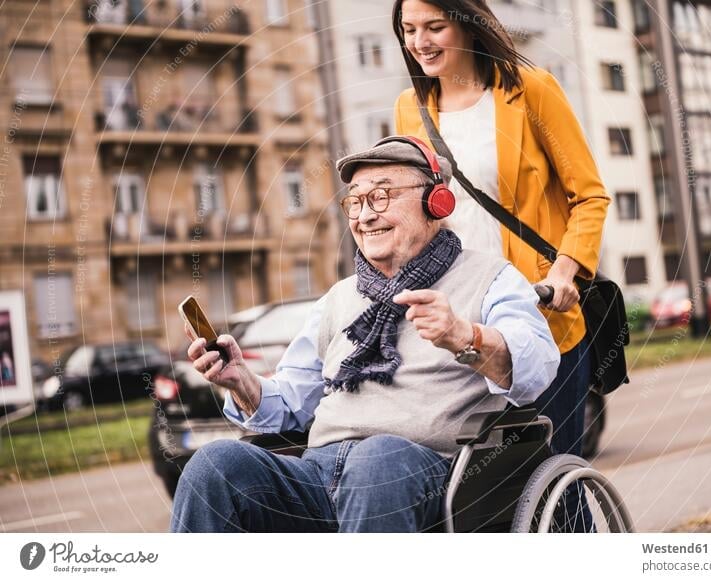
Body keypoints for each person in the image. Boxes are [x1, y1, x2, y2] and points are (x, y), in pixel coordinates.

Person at [170, 138, 560, 533]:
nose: (364, 216)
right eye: (355, 202)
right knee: (215, 465)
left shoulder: (491, 278)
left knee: (378, 460)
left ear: (437, 202)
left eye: (381, 196)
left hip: (432, 478)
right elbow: (290, 404)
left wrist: (466, 337)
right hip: (317, 476)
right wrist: (242, 382)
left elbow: (536, 367)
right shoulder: (339, 298)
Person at [392, 0, 610, 469]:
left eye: (434, 27)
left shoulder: (531, 91)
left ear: (469, 26)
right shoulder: (410, 109)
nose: (419, 42)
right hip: (459, 326)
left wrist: (567, 272)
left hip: (538, 312)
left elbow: (589, 197)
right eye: (409, 30)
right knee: (480, 497)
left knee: (552, 483)